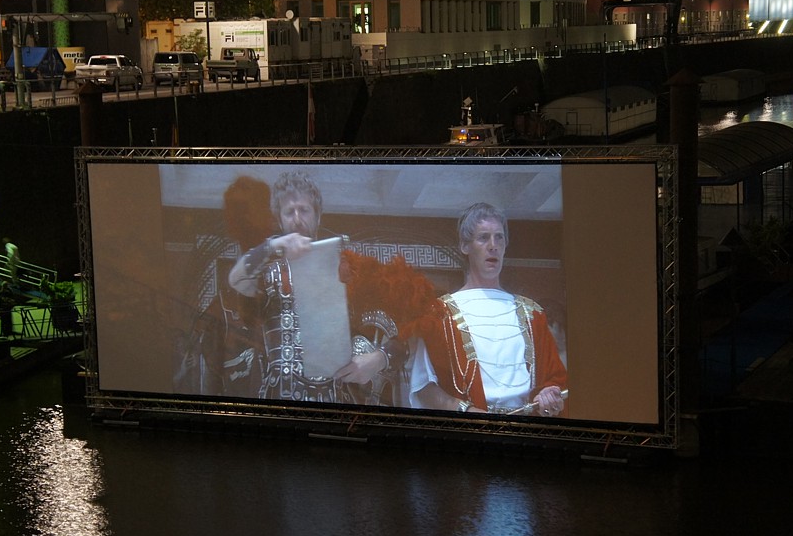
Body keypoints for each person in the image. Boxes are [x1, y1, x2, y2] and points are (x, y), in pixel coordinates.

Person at [228, 172, 419, 404]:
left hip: (332, 403)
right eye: (289, 212)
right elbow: (236, 278)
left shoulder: (348, 271)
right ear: (279, 220)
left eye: (304, 210)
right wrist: (272, 246)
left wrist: (378, 359)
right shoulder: (268, 272)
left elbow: (406, 335)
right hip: (277, 400)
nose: (297, 219)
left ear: (317, 217)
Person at [409, 202, 568, 416]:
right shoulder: (439, 313)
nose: (493, 245)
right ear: (465, 246)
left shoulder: (532, 314)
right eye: (483, 238)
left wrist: (549, 393)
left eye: (499, 237)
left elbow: (555, 380)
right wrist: (468, 411)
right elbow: (424, 387)